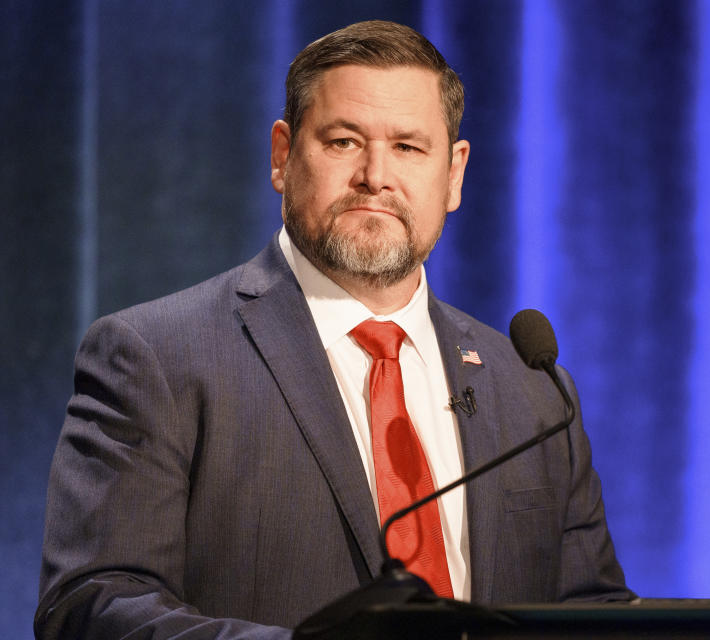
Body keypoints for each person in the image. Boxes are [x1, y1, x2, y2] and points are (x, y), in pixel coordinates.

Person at [35, 20, 633, 639]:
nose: (376, 175)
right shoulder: (157, 358)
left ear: (454, 174)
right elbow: (92, 607)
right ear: (283, 156)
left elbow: (594, 612)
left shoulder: (534, 391)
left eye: (408, 147)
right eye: (345, 141)